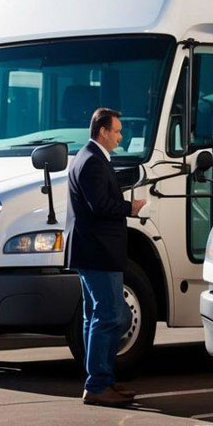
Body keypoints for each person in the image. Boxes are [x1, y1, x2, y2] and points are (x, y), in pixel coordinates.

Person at [67, 108, 146, 407]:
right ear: (102, 132)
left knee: (95, 317)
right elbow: (100, 205)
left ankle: (103, 381)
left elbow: (98, 200)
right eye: (117, 131)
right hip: (98, 252)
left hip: (92, 251)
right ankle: (98, 384)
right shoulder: (92, 162)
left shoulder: (89, 158)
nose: (120, 136)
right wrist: (131, 209)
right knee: (112, 316)